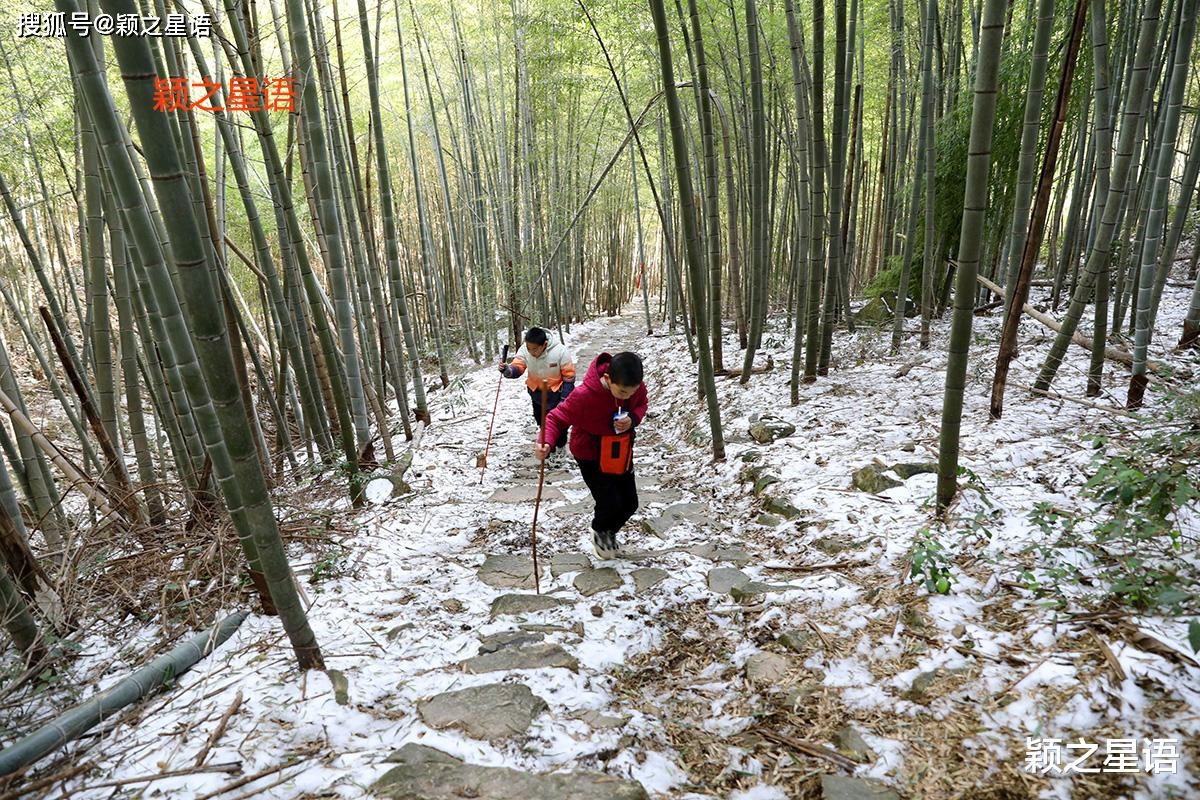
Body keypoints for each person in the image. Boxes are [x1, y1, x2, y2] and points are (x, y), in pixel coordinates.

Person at [534, 351, 648, 559]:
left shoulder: (634, 387)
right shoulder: (584, 396)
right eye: (622, 392)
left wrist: (632, 417)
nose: (628, 396)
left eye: (632, 392)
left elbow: (642, 404)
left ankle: (608, 532)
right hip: (590, 454)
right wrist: (546, 441)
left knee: (630, 503)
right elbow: (555, 419)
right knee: (609, 501)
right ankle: (600, 531)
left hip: (621, 450)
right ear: (607, 379)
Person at [500, 327, 577, 451]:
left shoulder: (560, 351)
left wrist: (564, 399)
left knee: (559, 423)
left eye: (534, 349)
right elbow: (517, 367)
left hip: (556, 394)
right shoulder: (525, 349)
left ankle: (560, 446)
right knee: (541, 421)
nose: (531, 352)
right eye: (529, 348)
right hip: (536, 393)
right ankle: (548, 447)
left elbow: (569, 377)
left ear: (544, 344)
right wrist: (508, 370)